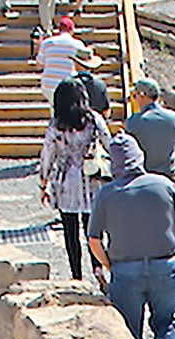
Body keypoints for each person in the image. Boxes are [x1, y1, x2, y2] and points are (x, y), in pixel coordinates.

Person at [88, 133, 175, 339]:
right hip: (164, 266)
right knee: (168, 325)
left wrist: (109, 264)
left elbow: (93, 239)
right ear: (140, 156)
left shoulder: (106, 194)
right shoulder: (164, 185)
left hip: (125, 271)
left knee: (128, 334)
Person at [40, 78, 110, 281]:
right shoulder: (93, 119)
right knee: (93, 230)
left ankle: (76, 275)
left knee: (70, 233)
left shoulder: (56, 125)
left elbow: (47, 155)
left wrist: (43, 183)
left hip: (65, 181)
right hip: (90, 178)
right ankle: (98, 269)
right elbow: (109, 143)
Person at [124, 78, 175, 178]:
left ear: (142, 95)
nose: (135, 99)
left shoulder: (134, 121)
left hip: (143, 176)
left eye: (135, 96)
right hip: (167, 175)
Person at [35, 16, 94, 103]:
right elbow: (85, 62)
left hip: (48, 84)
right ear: (71, 30)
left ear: (59, 29)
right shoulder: (77, 44)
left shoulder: (47, 43)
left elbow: (39, 65)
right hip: (67, 84)